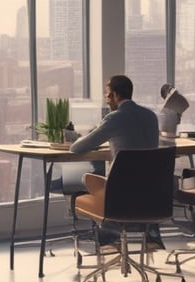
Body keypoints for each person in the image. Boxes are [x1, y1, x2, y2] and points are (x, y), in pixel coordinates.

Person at [69, 74, 164, 248]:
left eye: (107, 95)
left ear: (116, 95)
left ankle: (110, 236)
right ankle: (148, 234)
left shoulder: (115, 118)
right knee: (117, 180)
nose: (106, 100)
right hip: (151, 193)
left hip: (120, 196)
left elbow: (77, 148)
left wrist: (77, 138)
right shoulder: (151, 116)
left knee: (86, 179)